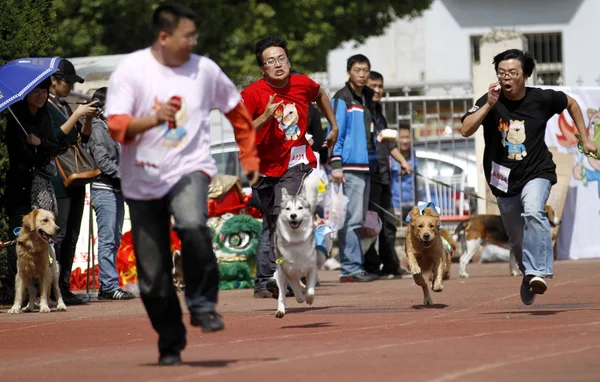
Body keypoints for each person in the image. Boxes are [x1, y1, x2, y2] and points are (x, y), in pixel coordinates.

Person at [105, 3, 259, 366]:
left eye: (195, 35)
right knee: (153, 275)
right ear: (163, 36)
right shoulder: (132, 71)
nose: (194, 42)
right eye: (187, 36)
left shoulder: (204, 70)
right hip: (143, 179)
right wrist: (153, 119)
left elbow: (237, 111)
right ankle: (170, 338)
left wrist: (250, 158)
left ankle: (204, 304)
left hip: (190, 168)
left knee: (192, 223)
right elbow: (116, 127)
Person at [461, 49, 598, 305]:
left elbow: (571, 103)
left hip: (537, 172)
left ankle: (539, 271)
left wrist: (585, 137)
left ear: (525, 75)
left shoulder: (541, 98)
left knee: (534, 211)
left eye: (512, 73)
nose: (506, 78)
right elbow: (465, 129)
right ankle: (529, 274)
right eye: (502, 73)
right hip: (503, 181)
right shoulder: (490, 99)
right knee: (516, 237)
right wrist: (489, 105)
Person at [241, 36, 339, 298]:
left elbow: (320, 94)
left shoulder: (302, 83)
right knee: (271, 222)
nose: (277, 64)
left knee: (281, 211)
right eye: (270, 61)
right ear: (262, 68)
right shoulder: (251, 94)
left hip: (296, 162)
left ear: (288, 60)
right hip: (263, 168)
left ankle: (279, 275)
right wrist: (265, 117)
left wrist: (334, 124)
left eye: (281, 58)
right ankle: (265, 281)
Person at [3, 78, 64, 293]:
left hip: (42, 186)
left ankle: (44, 291)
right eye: (35, 91)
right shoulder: (16, 119)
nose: (40, 95)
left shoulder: (45, 115)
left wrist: (39, 143)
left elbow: (56, 147)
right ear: (26, 94)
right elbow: (18, 154)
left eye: (44, 91)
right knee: (19, 239)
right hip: (20, 188)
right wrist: (32, 147)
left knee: (46, 239)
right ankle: (15, 292)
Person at [47, 58, 98, 306]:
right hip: (58, 179)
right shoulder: (44, 106)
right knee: (60, 231)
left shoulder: (65, 106)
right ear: (53, 81)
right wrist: (76, 114)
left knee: (73, 233)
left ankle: (65, 287)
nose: (69, 87)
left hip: (75, 175)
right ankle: (54, 288)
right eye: (66, 82)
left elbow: (81, 140)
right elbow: (55, 137)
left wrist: (86, 119)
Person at [329, 54, 378, 283]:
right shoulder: (343, 98)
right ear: (349, 72)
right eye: (357, 70)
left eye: (365, 70)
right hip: (349, 166)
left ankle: (353, 266)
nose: (362, 74)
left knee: (357, 219)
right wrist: (336, 164)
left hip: (364, 165)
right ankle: (350, 268)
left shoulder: (365, 98)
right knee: (351, 219)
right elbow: (335, 131)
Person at [362, 71, 411, 279]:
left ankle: (391, 264)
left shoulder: (379, 114)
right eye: (373, 85)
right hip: (369, 174)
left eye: (380, 86)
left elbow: (389, 143)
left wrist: (402, 161)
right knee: (371, 223)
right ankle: (371, 266)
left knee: (389, 222)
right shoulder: (363, 113)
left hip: (384, 174)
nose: (378, 90)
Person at [88, 87, 134, 300]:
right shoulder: (98, 128)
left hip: (116, 189)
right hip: (104, 189)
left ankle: (109, 284)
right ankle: (108, 286)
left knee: (114, 239)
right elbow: (102, 160)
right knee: (107, 240)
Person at [391, 122, 418, 219]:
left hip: (412, 205)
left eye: (407, 137)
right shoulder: (390, 158)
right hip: (395, 205)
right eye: (402, 137)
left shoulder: (413, 156)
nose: (405, 141)